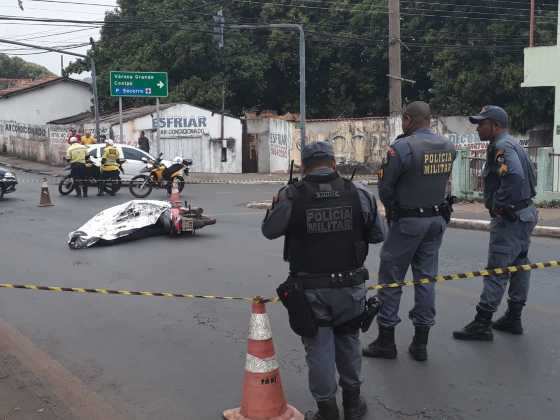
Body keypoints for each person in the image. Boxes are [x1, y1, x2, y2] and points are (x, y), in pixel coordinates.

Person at [262, 141, 384, 420]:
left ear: (303, 166)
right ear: (333, 163)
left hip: (310, 290)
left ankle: (327, 410)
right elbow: (379, 235)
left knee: (318, 349)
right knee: (349, 341)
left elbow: (269, 231)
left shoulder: (291, 194)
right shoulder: (360, 192)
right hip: (351, 287)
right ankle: (353, 406)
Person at [362, 101, 456, 362]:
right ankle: (421, 343)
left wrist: (392, 210)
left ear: (408, 119)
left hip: (407, 222)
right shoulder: (448, 147)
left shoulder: (402, 147)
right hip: (436, 220)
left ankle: (386, 341)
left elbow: (386, 187)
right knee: (426, 279)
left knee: (391, 279)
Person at [453, 106, 538, 341]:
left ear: (495, 125)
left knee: (497, 270)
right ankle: (514, 316)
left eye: (482, 124)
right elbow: (525, 176)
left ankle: (482, 322)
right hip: (524, 213)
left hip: (510, 218)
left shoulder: (501, 147)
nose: (478, 128)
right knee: (519, 265)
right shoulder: (511, 144)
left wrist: (499, 203)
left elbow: (513, 175)